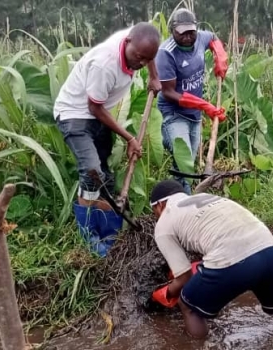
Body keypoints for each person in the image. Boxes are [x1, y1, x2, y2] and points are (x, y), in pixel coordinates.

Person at [148, 179, 273, 338]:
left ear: (160, 205)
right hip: (267, 246)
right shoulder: (205, 198)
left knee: (188, 305)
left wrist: (164, 294)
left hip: (232, 258)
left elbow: (184, 278)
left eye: (154, 212)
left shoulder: (164, 222)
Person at [53, 23, 161, 253]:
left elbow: (148, 53)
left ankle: (109, 233)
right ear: (128, 42)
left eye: (147, 59)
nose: (140, 63)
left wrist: (153, 75)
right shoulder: (106, 64)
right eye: (139, 57)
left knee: (105, 174)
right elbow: (94, 107)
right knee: (92, 171)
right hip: (75, 113)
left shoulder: (138, 42)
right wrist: (129, 138)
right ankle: (89, 237)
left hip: (98, 115)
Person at [155, 9, 228, 194]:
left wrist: (219, 54)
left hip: (193, 115)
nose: (188, 37)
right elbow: (169, 92)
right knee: (183, 159)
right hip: (174, 113)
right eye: (182, 33)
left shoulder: (201, 38)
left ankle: (184, 196)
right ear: (173, 31)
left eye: (191, 32)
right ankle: (186, 200)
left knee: (188, 162)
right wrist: (205, 106)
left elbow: (212, 37)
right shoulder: (166, 53)